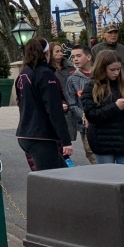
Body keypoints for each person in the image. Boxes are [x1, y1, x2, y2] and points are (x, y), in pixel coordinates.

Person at [16, 37, 72, 171]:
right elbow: (54, 109)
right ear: (46, 53)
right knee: (49, 178)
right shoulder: (45, 74)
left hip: (25, 133)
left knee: (63, 173)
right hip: (41, 136)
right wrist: (65, 140)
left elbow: (20, 102)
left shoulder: (23, 74)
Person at [83, 50, 124, 165]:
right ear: (102, 68)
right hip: (103, 141)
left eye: (118, 69)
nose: (116, 73)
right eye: (112, 70)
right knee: (107, 174)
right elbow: (92, 115)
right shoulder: (92, 86)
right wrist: (116, 106)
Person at [64, 45, 97, 164]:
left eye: (79, 56)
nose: (75, 59)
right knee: (92, 153)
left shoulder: (100, 75)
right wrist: (84, 115)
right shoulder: (72, 79)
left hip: (104, 121)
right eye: (73, 57)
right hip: (86, 125)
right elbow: (72, 103)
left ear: (88, 57)